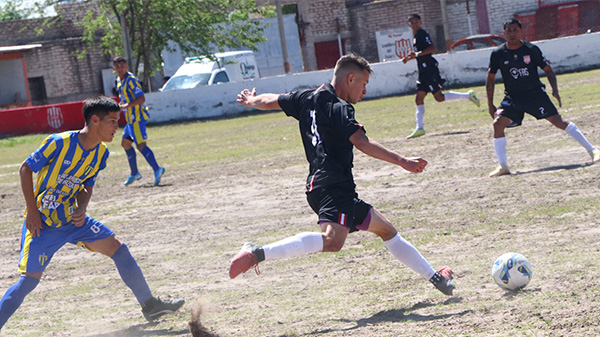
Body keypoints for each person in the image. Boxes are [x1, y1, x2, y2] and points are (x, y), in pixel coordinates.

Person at [229, 53, 455, 296]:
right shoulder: (339, 107)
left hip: (321, 187)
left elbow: (271, 100)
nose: (364, 91)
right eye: (364, 84)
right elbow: (361, 142)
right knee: (332, 241)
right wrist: (402, 161)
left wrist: (252, 100)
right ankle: (258, 252)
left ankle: (436, 278)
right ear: (350, 79)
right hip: (335, 186)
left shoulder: (306, 97)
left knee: (387, 230)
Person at [0, 96, 184, 331]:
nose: (117, 126)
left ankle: (151, 305)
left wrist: (82, 207)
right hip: (43, 224)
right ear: (95, 120)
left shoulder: (101, 153)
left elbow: (86, 186)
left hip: (74, 221)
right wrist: (32, 212)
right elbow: (25, 168)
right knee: (28, 282)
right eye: (113, 121)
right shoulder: (59, 142)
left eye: (118, 121)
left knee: (119, 249)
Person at [486, 18, 600, 177]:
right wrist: (490, 104)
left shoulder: (531, 50)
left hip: (535, 95)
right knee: (498, 123)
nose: (512, 33)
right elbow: (490, 79)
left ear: (520, 32)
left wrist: (555, 90)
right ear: (504, 33)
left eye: (515, 30)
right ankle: (503, 166)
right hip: (512, 98)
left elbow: (548, 70)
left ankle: (593, 150)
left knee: (558, 122)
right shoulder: (498, 54)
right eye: (509, 30)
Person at [401, 13, 480, 139]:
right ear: (409, 24)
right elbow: (420, 53)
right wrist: (411, 57)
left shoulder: (422, 34)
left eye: (417, 21)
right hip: (423, 71)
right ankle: (419, 128)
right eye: (412, 22)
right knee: (419, 98)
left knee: (439, 97)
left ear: (420, 22)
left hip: (430, 70)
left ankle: (468, 95)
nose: (415, 24)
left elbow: (432, 48)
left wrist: (416, 54)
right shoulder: (416, 36)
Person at [113, 56, 165, 186]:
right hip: (130, 119)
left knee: (141, 145)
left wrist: (127, 105)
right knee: (125, 143)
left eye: (122, 66)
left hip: (137, 118)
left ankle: (157, 169)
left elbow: (141, 98)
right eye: (117, 67)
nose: (120, 69)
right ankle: (135, 173)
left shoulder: (131, 80)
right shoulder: (119, 80)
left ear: (127, 67)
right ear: (114, 69)